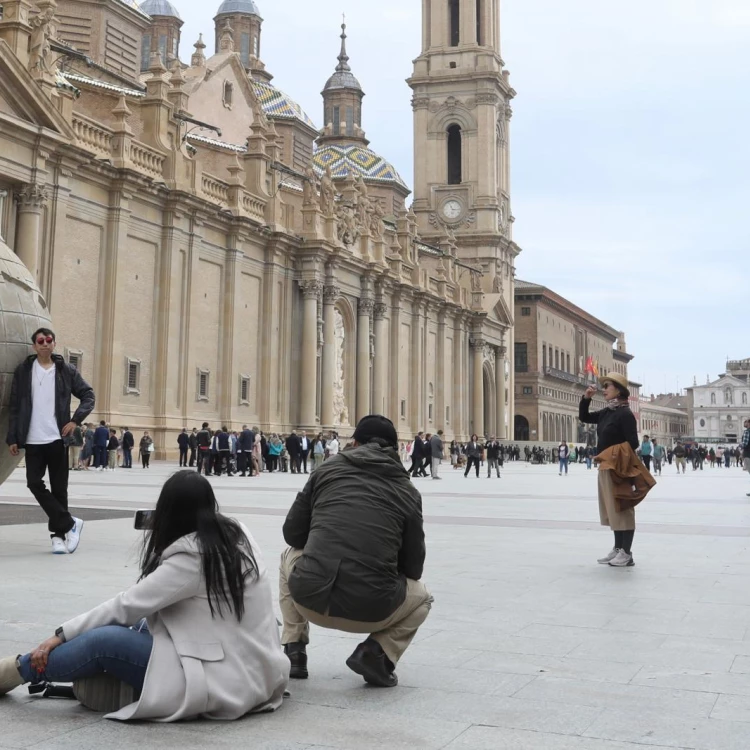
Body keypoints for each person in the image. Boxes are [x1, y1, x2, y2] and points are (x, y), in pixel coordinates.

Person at [0, 471, 289, 718]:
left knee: (103, 641)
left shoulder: (191, 558)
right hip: (255, 667)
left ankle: (17, 670)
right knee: (137, 625)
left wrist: (59, 636)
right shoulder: (236, 534)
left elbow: (126, 604)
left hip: (222, 679)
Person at [280, 415, 431, 688]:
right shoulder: (407, 491)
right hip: (372, 610)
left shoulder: (326, 470)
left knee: (288, 556)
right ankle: (376, 653)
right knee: (423, 598)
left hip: (309, 598)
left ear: (355, 442)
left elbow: (292, 534)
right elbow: (414, 569)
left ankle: (294, 650)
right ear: (395, 449)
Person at [6, 327, 94, 555]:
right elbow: (15, 406)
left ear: (54, 344)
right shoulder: (24, 371)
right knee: (34, 483)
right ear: (34, 346)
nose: (45, 344)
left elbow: (88, 395)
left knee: (59, 489)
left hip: (57, 439)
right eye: (40, 341)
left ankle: (58, 537)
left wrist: (75, 420)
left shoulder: (66, 370)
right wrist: (13, 437)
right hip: (33, 439)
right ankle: (70, 523)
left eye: (49, 340)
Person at [580, 373, 640, 567]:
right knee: (612, 508)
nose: (604, 390)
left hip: (619, 467)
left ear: (618, 391)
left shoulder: (625, 414)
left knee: (623, 507)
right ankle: (617, 548)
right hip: (605, 466)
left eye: (608, 386)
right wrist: (586, 398)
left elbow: (633, 442)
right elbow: (585, 417)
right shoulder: (608, 412)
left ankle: (627, 553)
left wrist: (612, 455)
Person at [742, 419, 750, 496]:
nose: (745, 423)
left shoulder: (747, 432)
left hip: (748, 454)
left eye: (746, 422)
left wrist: (740, 446)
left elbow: (745, 443)